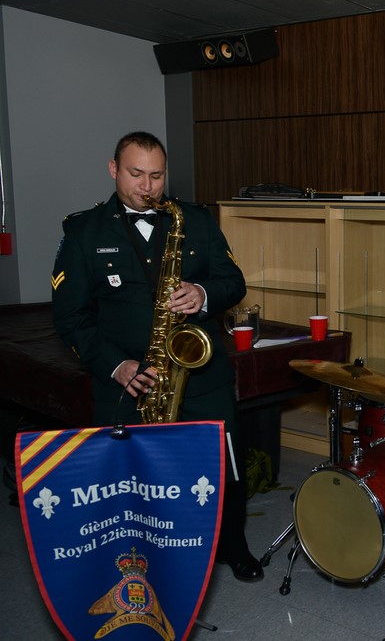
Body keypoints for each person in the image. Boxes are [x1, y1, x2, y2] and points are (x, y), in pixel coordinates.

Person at [50, 131, 263, 582]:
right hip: (129, 381)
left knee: (222, 466)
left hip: (201, 376)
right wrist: (117, 366)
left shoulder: (195, 219)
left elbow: (233, 281)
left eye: (157, 176)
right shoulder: (83, 231)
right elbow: (70, 318)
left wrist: (202, 293)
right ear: (113, 169)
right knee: (132, 477)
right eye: (136, 174)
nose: (147, 187)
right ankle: (142, 557)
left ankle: (233, 545)